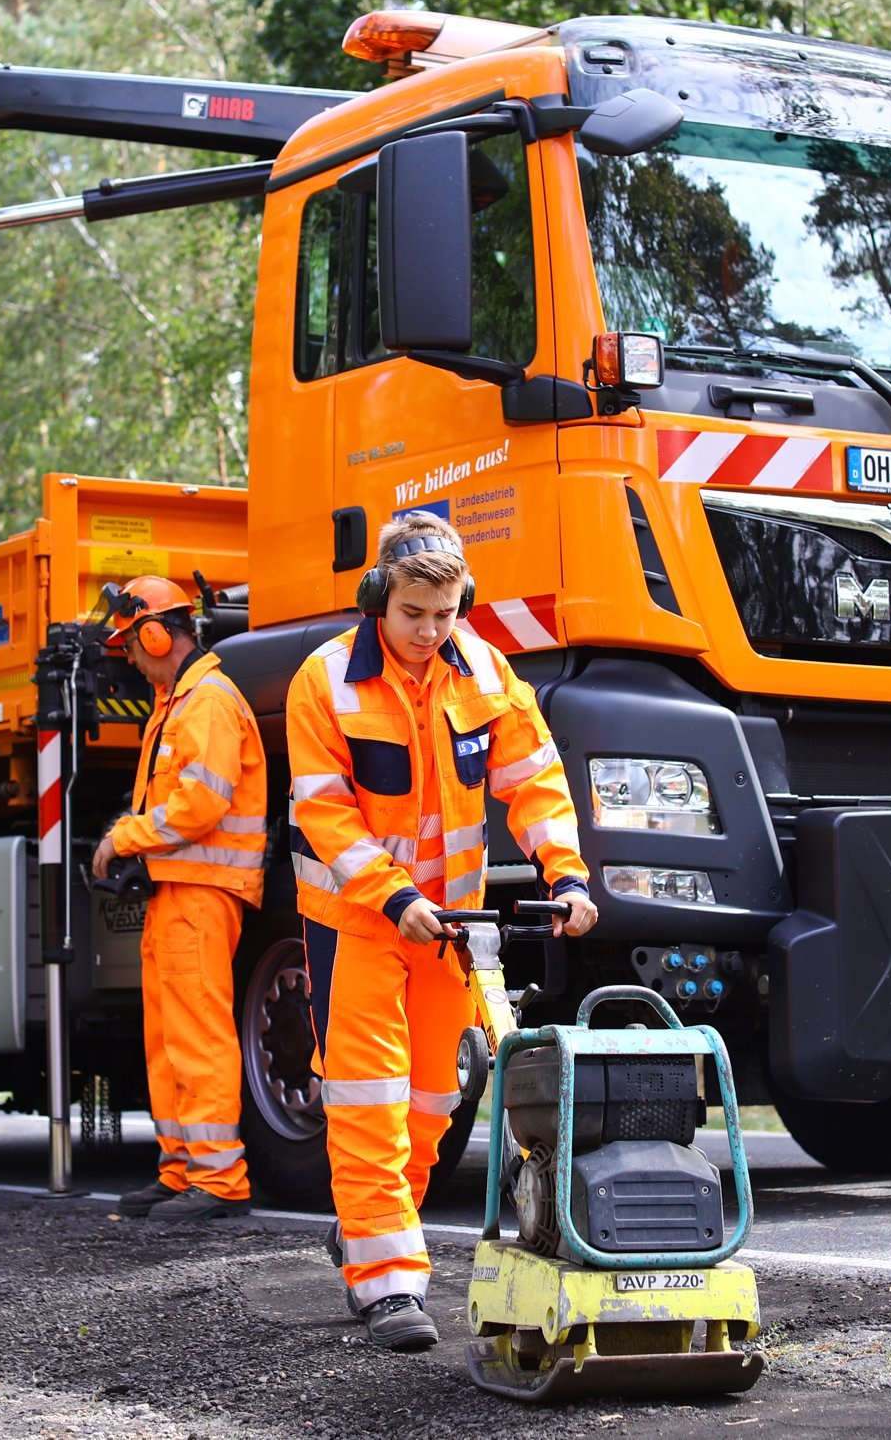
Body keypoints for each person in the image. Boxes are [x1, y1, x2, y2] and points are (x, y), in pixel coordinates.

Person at [284, 511, 598, 1351]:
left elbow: (535, 781)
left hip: (447, 928)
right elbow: (323, 813)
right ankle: (388, 1285)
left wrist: (564, 874)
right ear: (377, 600)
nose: (429, 632)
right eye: (413, 614)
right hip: (356, 922)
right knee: (368, 1102)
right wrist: (392, 898)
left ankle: (368, 1231)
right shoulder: (325, 681)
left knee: (433, 1100)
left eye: (446, 613)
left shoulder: (486, 672)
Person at [93, 575, 268, 1222]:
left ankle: (220, 1181)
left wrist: (126, 836)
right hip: (178, 890)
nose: (131, 661)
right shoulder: (179, 703)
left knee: (198, 1037)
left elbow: (199, 804)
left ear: (155, 633)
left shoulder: (209, 701)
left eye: (130, 647)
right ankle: (180, 1169)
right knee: (167, 1039)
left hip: (203, 892)